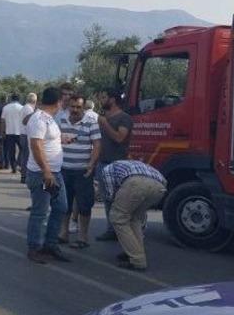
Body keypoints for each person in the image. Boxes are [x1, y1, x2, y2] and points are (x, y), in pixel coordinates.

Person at [24, 87, 69, 264]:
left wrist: (62, 139)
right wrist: (46, 171)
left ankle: (50, 244)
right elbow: (36, 145)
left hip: (54, 173)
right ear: (58, 102)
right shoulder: (39, 119)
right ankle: (34, 247)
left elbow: (47, 141)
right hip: (43, 174)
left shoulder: (48, 119)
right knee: (40, 211)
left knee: (61, 207)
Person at [101, 160, 167, 271]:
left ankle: (137, 260)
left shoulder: (107, 169)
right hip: (159, 186)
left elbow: (110, 193)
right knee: (134, 219)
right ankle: (134, 250)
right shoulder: (133, 164)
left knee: (118, 218)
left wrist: (115, 201)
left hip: (135, 184)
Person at [57, 96, 101, 248]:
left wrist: (91, 164)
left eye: (78, 107)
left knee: (84, 205)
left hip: (83, 171)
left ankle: (83, 237)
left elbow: (97, 145)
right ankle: (63, 234)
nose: (75, 110)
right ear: (69, 106)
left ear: (83, 108)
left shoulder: (91, 123)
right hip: (64, 170)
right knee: (65, 204)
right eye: (73, 107)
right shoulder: (61, 122)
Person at [96, 90, 134, 241]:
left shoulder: (124, 118)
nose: (101, 100)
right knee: (107, 198)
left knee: (120, 200)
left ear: (112, 100)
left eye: (104, 97)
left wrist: (105, 124)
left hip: (118, 164)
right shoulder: (103, 117)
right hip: (103, 163)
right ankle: (111, 230)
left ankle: (123, 231)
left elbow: (120, 138)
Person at [1, 94, 24, 174]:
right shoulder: (22, 108)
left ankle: (13, 167)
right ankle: (19, 163)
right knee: (23, 149)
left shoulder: (6, 108)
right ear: (19, 99)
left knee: (11, 151)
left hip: (9, 132)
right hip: (20, 132)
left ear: (11, 99)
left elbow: (3, 121)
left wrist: (2, 132)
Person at [18, 92, 38, 183]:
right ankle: (25, 175)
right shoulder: (29, 109)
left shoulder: (24, 107)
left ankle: (23, 174)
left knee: (24, 155)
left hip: (22, 133)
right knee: (26, 156)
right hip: (26, 134)